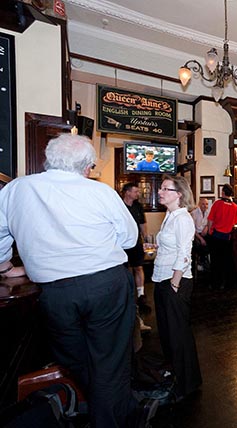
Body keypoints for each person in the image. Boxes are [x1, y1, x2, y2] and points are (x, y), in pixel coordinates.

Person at [0, 134, 157, 427]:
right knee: (109, 361)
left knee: (74, 358)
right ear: (87, 168)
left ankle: (125, 412)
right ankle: (121, 416)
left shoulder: (15, 189)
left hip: (55, 292)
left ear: (48, 160)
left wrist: (6, 266)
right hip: (106, 285)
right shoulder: (99, 192)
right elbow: (128, 237)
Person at [152, 175, 202, 402]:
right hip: (162, 279)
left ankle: (187, 383)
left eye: (165, 188)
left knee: (178, 334)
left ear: (178, 194)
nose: (160, 192)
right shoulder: (170, 216)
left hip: (175, 281)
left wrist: (175, 282)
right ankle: (175, 374)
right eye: (161, 188)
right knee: (167, 332)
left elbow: (184, 253)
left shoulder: (183, 219)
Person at [121, 183, 151, 309]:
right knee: (126, 269)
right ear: (127, 192)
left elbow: (142, 224)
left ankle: (141, 295)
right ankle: (128, 294)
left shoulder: (138, 206)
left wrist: (146, 239)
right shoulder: (119, 206)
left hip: (136, 243)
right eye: (136, 191)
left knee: (138, 267)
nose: (138, 194)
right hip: (122, 244)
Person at [207, 184, 237, 289]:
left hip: (216, 236)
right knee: (228, 261)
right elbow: (234, 222)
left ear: (223, 193)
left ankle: (216, 284)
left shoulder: (217, 204)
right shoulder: (235, 207)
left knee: (215, 261)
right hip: (227, 237)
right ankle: (230, 284)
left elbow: (210, 220)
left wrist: (209, 231)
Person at [191, 197, 211, 272]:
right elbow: (192, 229)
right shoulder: (194, 213)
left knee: (212, 241)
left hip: (205, 233)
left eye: (206, 204)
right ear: (199, 204)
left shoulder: (208, 212)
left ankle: (207, 261)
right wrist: (200, 238)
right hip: (196, 234)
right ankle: (202, 262)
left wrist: (206, 227)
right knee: (199, 244)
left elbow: (209, 223)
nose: (205, 206)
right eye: (203, 204)